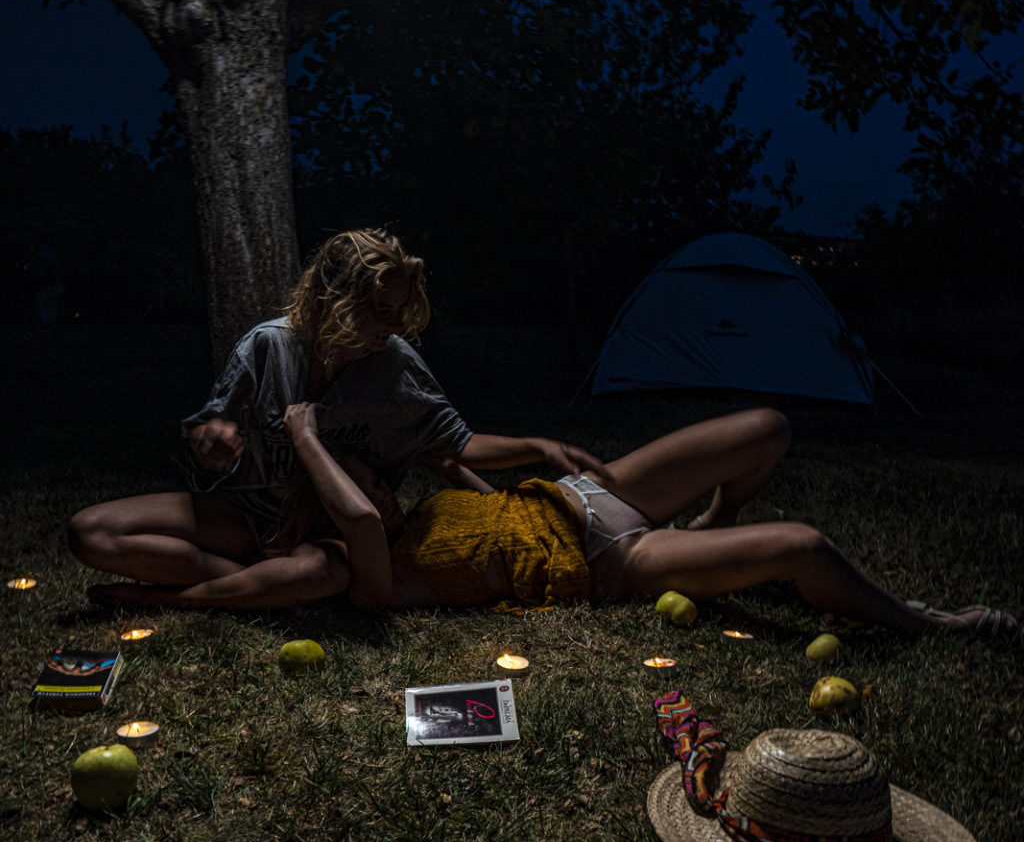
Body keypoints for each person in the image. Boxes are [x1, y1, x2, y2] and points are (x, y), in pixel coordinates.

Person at [85, 402, 1017, 639]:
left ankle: (715, 520)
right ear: (332, 506)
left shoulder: (410, 516)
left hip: (591, 498)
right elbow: (358, 519)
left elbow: (450, 453)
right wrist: (302, 436)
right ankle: (926, 623)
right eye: (359, 490)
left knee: (768, 428)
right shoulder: (367, 573)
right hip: (616, 559)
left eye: (379, 483)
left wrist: (507, 450)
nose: (380, 497)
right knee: (803, 548)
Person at [69, 228, 606, 589]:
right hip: (247, 513)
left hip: (333, 531)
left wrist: (538, 446)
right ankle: (247, 580)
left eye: (400, 309)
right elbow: (209, 424)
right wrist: (208, 438)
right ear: (334, 298)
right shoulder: (268, 346)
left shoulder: (396, 365)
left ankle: (253, 584)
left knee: (323, 574)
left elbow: (458, 444)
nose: (395, 323)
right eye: (381, 309)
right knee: (90, 533)